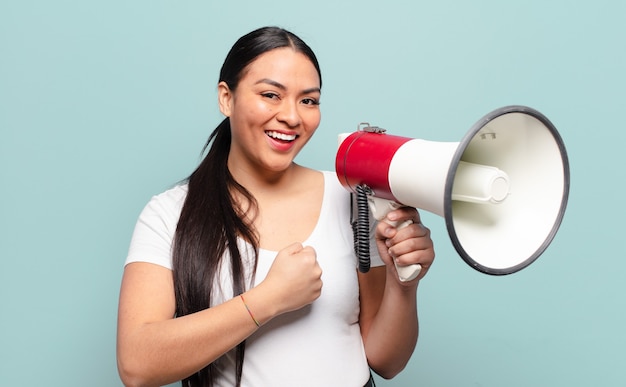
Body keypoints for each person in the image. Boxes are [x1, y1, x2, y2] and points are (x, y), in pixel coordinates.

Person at [116, 26, 435, 387]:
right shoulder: (169, 214)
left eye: (308, 100)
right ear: (226, 98)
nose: (292, 117)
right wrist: (267, 300)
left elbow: (386, 360)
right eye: (271, 94)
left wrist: (403, 284)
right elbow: (136, 364)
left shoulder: (350, 197)